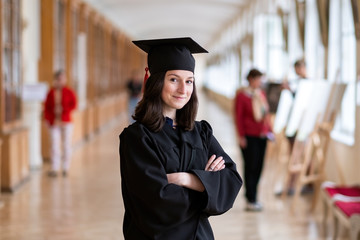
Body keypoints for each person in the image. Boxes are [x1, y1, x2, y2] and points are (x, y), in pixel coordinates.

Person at [119, 37, 242, 240]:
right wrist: (207, 183)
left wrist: (188, 179)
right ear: (156, 82)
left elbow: (231, 181)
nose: (183, 90)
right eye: (173, 79)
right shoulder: (138, 138)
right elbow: (157, 204)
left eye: (189, 81)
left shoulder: (201, 132)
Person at [234, 68, 271, 211]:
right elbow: (238, 117)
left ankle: (255, 196)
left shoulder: (260, 94)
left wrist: (270, 131)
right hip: (249, 136)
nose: (260, 82)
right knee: (251, 166)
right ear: (250, 79)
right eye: (257, 79)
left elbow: (265, 114)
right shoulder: (242, 96)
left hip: (262, 136)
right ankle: (250, 198)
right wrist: (241, 136)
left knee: (259, 166)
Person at [44, 70, 77, 177]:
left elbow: (74, 105)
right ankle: (55, 167)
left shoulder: (69, 91)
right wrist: (49, 120)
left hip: (66, 121)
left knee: (67, 144)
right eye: (59, 79)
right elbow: (46, 108)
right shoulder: (51, 92)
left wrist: (64, 109)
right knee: (54, 145)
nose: (61, 81)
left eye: (62, 79)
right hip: (54, 122)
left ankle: (65, 167)